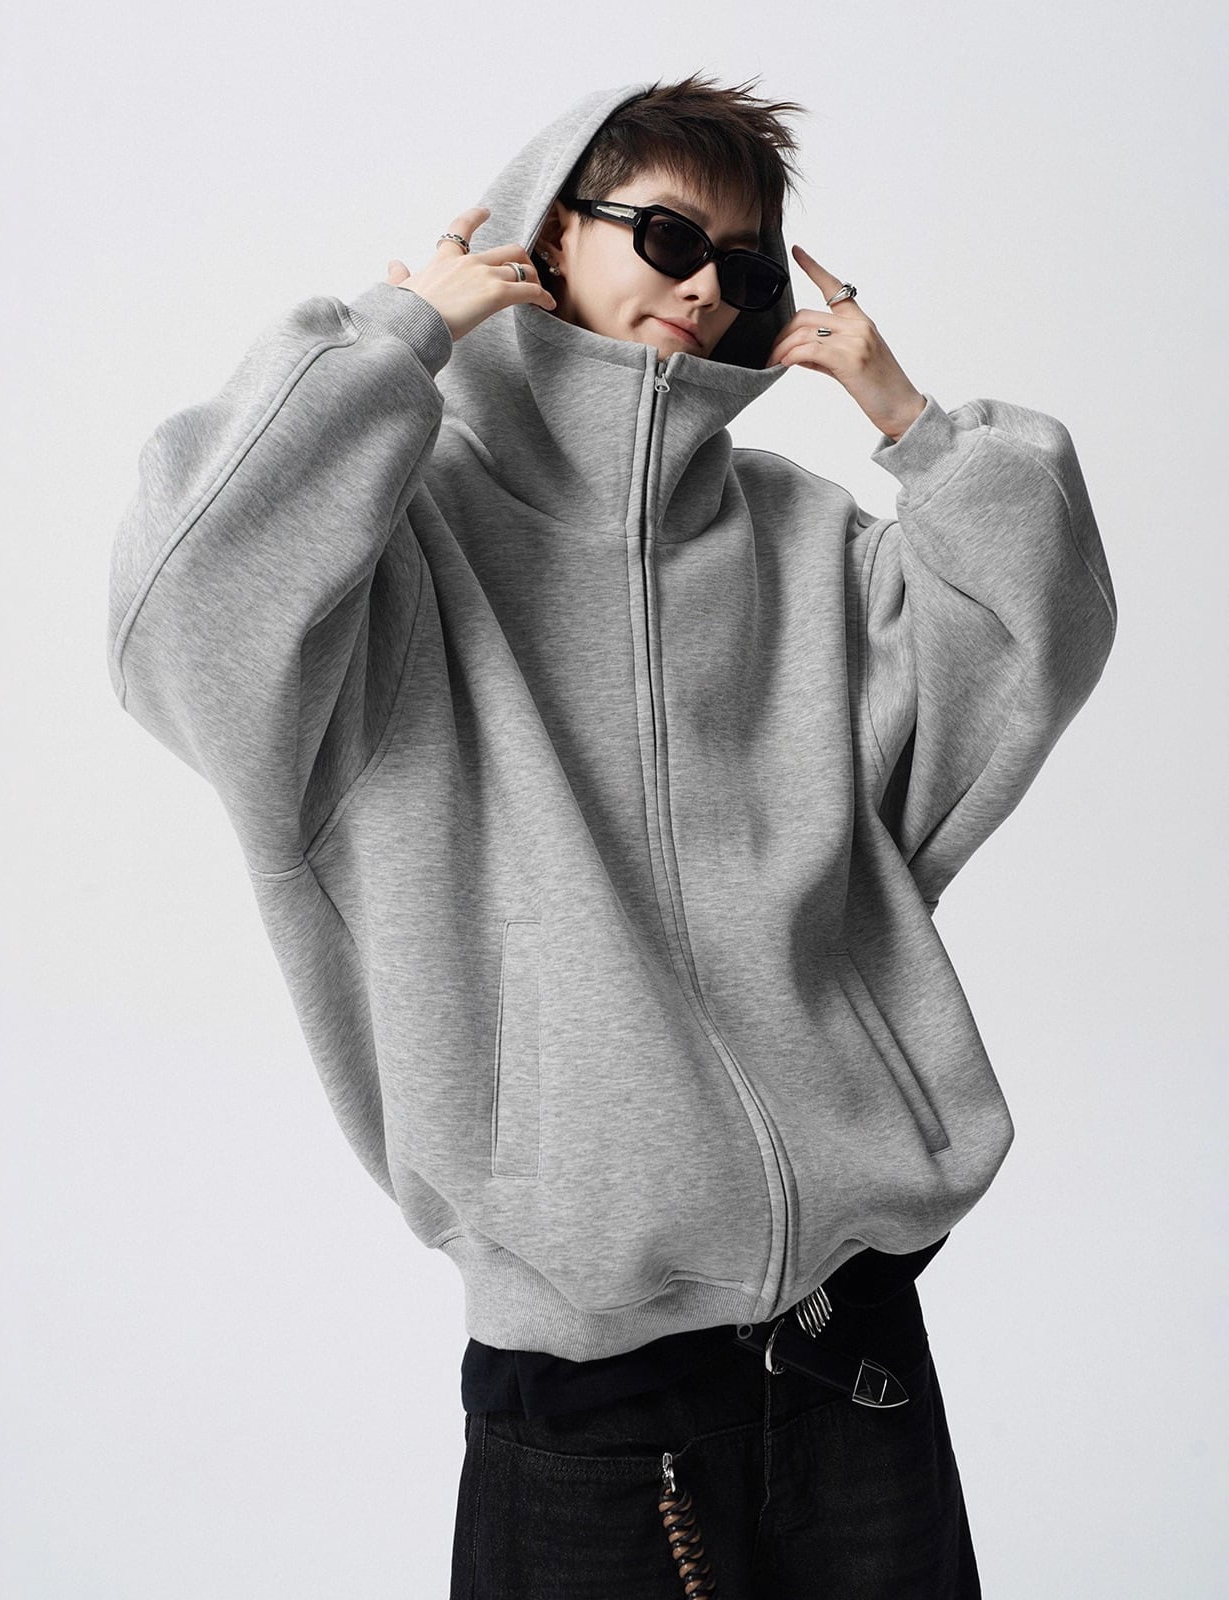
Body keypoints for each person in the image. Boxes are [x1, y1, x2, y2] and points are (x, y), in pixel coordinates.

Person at [106, 72, 1116, 1599]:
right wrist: (393, 341)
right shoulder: (401, 547)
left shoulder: (803, 543)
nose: (706, 289)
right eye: (666, 236)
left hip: (858, 1356)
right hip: (593, 1404)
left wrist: (918, 431)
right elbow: (185, 607)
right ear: (546, 236)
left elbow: (1034, 643)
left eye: (746, 266)